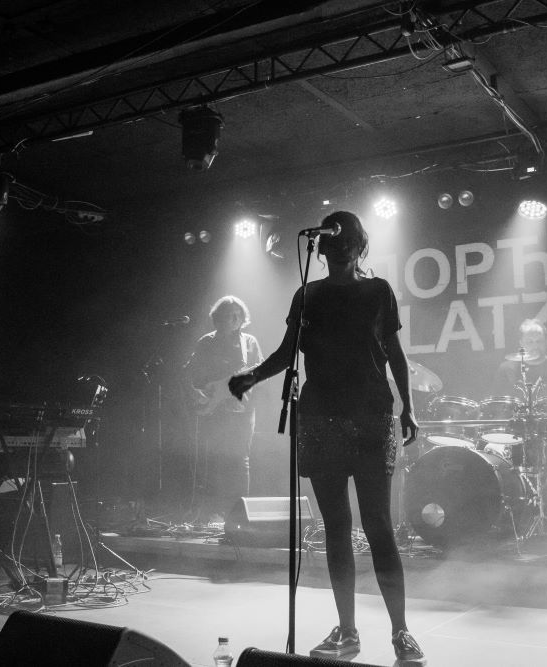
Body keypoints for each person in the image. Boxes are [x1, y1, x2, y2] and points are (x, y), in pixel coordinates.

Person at [228, 212, 425, 664]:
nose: (338, 247)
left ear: (358, 246)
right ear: (322, 249)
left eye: (345, 240)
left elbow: (395, 353)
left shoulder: (378, 291)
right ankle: (348, 631)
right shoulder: (308, 295)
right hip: (320, 419)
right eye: (331, 242)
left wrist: (409, 406)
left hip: (371, 417)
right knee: (336, 529)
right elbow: (287, 353)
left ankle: (401, 632)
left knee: (378, 526)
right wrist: (253, 375)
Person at [183, 295, 263, 525]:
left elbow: (261, 372)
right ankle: (212, 513)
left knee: (240, 462)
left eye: (237, 315)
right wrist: (196, 393)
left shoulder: (250, 343)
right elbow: (189, 373)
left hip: (242, 411)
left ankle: (239, 514)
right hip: (213, 412)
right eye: (228, 315)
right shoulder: (206, 342)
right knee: (213, 461)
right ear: (218, 317)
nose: (233, 319)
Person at [492, 318, 547, 399]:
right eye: (530, 342)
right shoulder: (507, 369)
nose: (535, 346)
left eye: (539, 341)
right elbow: (497, 402)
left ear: (545, 342)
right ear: (521, 343)